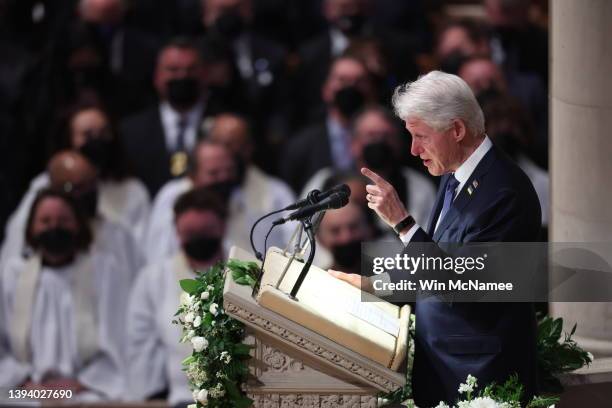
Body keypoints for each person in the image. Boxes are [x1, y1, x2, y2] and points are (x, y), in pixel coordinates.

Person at [330, 71, 541, 406]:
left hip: (479, 377)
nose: (414, 150)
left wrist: (403, 223)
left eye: (421, 136)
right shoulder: (453, 174)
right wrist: (374, 286)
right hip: (443, 370)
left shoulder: (505, 193)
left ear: (456, 130)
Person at [0, 189, 131, 401]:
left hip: (88, 389)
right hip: (25, 390)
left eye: (63, 220)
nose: (54, 227)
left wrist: (81, 383)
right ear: (32, 228)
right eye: (45, 221)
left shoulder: (104, 271)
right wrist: (24, 382)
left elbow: (118, 340)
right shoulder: (13, 274)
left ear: (78, 225)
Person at [127, 187, 226, 407]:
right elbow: (141, 344)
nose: (199, 238)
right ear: (177, 232)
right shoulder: (153, 279)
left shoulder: (244, 274)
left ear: (222, 226)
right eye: (191, 233)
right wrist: (151, 395)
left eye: (206, 230)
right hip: (179, 397)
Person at [2, 102, 150, 248]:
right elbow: (18, 241)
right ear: (70, 139)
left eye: (104, 133)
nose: (97, 140)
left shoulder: (132, 189)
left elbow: (140, 247)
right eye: (88, 135)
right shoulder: (45, 185)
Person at [144, 138, 293, 262]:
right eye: (214, 173)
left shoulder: (243, 203)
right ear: (193, 175)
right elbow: (158, 255)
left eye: (229, 170)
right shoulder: (171, 198)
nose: (223, 178)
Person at [120, 37, 228, 197]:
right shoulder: (130, 131)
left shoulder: (226, 126)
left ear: (205, 74)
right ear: (157, 76)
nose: (182, 76)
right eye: (173, 70)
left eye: (191, 70)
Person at [300, 106, 436, 230]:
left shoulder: (418, 187)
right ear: (353, 143)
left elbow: (424, 242)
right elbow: (302, 233)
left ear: (398, 143)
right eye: (371, 135)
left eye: (386, 136)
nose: (378, 142)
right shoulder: (324, 181)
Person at [281, 55, 376, 193]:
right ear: (326, 89)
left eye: (359, 81)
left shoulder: (385, 137)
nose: (351, 87)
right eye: (342, 80)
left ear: (371, 90)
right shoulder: (301, 145)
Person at [317, 202, 373, 276]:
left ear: (369, 230)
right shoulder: (315, 283)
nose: (346, 238)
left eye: (353, 227)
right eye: (335, 230)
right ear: (320, 239)